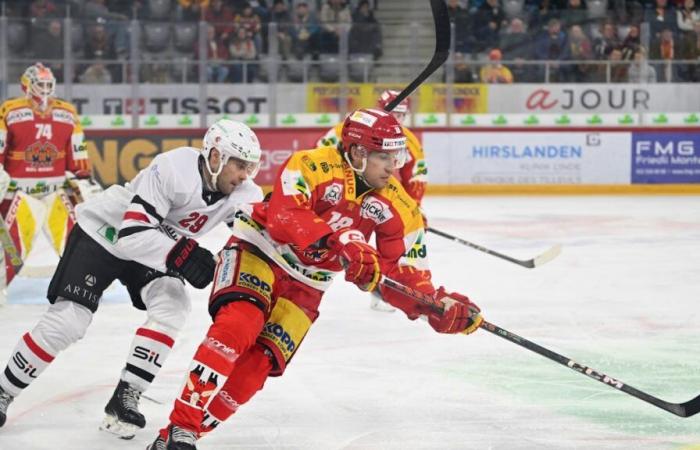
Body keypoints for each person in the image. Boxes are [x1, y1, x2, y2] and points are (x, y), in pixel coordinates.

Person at [147, 108, 482, 450]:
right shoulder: (311, 164)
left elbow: (404, 274)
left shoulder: (400, 206)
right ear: (357, 152)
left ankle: (173, 441)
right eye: (384, 157)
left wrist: (437, 307)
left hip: (310, 283)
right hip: (261, 249)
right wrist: (339, 242)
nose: (393, 167)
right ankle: (182, 429)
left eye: (395, 157)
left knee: (259, 366)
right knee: (239, 325)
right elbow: (283, 215)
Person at [0, 119, 264, 440]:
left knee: (172, 305)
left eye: (250, 167)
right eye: (239, 165)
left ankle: (126, 395)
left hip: (154, 246)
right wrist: (183, 254)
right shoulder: (173, 167)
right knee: (69, 321)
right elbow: (132, 235)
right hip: (106, 231)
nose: (244, 175)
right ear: (215, 157)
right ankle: (3, 391)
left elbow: (257, 236)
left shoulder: (245, 191)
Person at [316, 91, 429, 312]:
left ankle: (382, 291)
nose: (397, 119)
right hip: (338, 199)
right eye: (393, 112)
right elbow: (320, 153)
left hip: (381, 202)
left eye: (401, 115)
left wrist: (415, 208)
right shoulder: (352, 127)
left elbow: (416, 176)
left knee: (381, 254)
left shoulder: (408, 141)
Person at [0, 63, 96, 301]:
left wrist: (83, 177)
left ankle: (83, 285)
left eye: (47, 84)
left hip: (56, 189)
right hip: (20, 191)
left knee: (75, 242)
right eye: (39, 84)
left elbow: (78, 149)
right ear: (26, 85)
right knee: (11, 249)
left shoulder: (67, 112)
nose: (44, 89)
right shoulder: (9, 110)